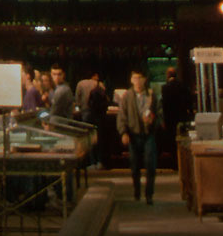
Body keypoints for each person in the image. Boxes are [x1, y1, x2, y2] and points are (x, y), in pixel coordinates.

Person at [118, 69, 162, 203]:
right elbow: (122, 116)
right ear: (131, 80)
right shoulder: (127, 96)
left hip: (149, 134)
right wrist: (123, 132)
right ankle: (137, 191)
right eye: (135, 78)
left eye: (140, 78)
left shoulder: (151, 94)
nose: (137, 81)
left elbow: (160, 113)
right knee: (135, 165)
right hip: (133, 134)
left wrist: (153, 120)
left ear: (144, 79)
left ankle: (149, 194)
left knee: (150, 164)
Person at [160, 65, 193, 166]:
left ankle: (175, 162)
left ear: (167, 75)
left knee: (172, 140)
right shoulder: (183, 86)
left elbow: (164, 105)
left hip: (170, 117)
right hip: (182, 116)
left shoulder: (165, 88)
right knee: (182, 139)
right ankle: (183, 161)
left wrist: (163, 119)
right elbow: (189, 101)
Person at [83, 71, 112, 168]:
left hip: (90, 117)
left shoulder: (87, 88)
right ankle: (101, 162)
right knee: (101, 141)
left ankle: (93, 162)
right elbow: (106, 103)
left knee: (92, 142)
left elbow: (88, 103)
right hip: (101, 119)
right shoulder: (101, 90)